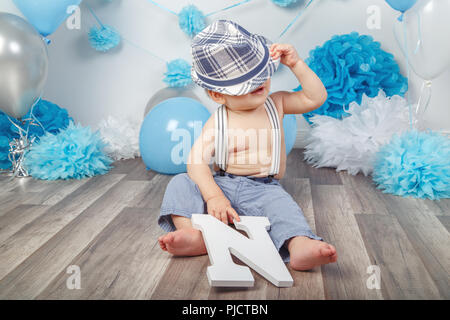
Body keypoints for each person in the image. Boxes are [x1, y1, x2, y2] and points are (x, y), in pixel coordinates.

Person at [158, 20, 337, 271]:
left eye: (260, 73)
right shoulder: (218, 120)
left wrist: (296, 64)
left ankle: (299, 244)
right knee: (180, 182)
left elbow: (315, 97)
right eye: (247, 81)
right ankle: (192, 235)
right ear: (218, 94)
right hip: (223, 183)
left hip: (264, 188)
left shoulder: (277, 103)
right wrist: (213, 196)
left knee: (284, 209)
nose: (259, 81)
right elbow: (196, 160)